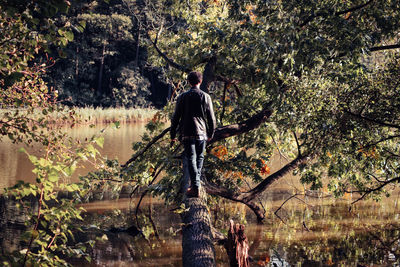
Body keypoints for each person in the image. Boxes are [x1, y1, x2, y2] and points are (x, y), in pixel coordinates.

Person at [170, 71, 216, 198]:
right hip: (201, 133)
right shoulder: (206, 96)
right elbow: (211, 118)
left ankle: (195, 186)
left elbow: (175, 118)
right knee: (199, 157)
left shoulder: (182, 97)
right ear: (200, 82)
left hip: (187, 132)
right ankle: (196, 185)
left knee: (191, 158)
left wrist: (172, 135)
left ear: (188, 82)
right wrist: (211, 133)